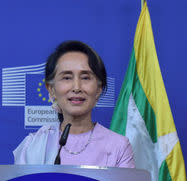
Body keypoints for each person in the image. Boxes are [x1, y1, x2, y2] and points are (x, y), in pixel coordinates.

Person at [13, 40, 135, 168]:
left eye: (85, 78)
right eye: (67, 77)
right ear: (51, 89)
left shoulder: (118, 146)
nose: (76, 87)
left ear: (99, 89)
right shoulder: (33, 145)